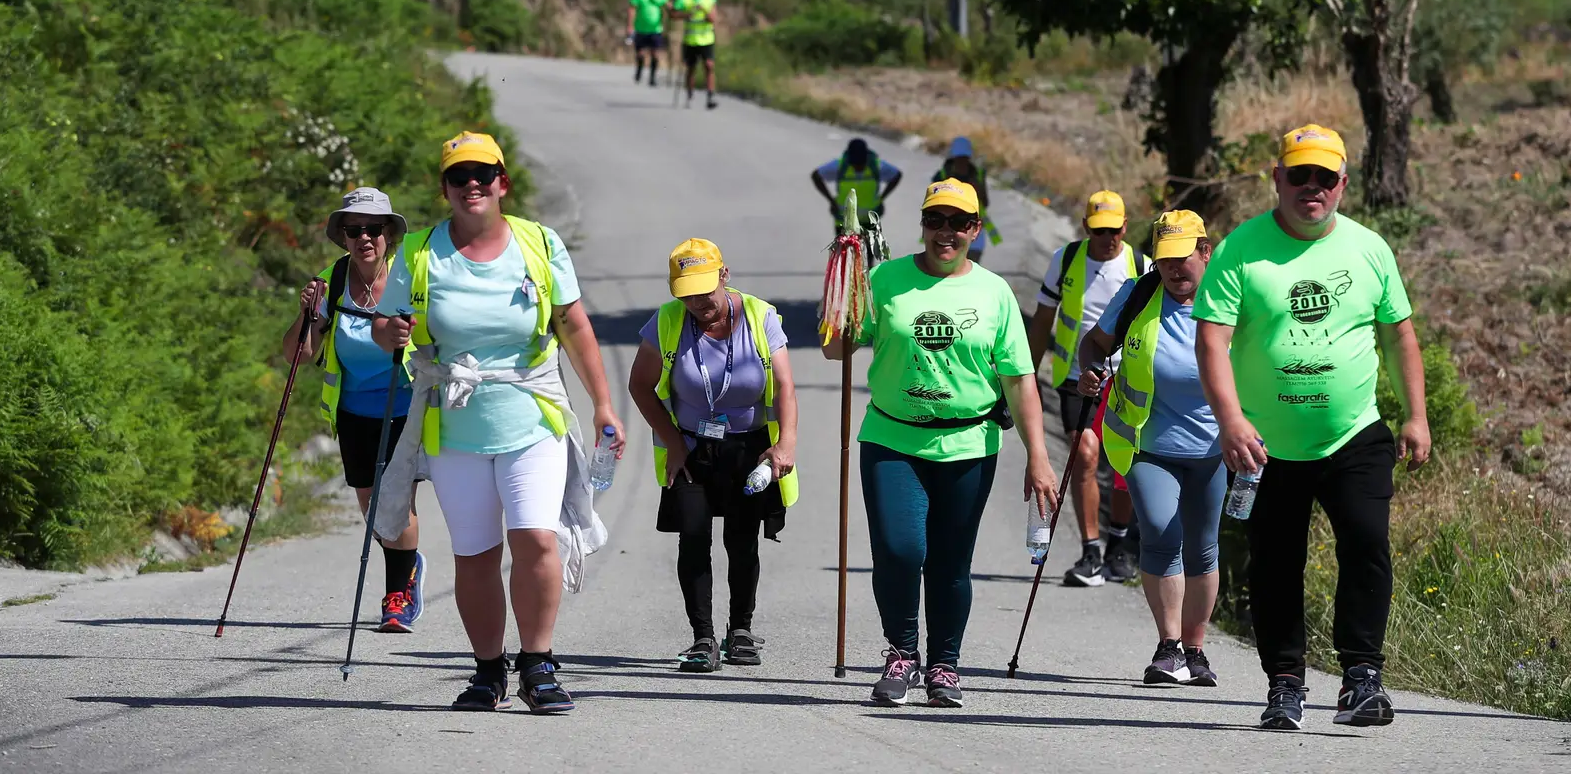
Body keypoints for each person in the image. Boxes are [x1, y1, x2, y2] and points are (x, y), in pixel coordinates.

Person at [372, 131, 626, 716]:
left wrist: (603, 404)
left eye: (483, 174)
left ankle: (538, 664)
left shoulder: (539, 243)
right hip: (455, 425)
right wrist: (393, 332)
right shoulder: (418, 252)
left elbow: (573, 324)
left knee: (536, 537)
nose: (472, 185)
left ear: (502, 183)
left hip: (531, 415)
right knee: (476, 554)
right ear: (445, 189)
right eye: (458, 177)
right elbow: (386, 327)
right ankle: (488, 671)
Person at [1193, 124, 1431, 732]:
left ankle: (1362, 679)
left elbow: (1399, 335)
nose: (1311, 187)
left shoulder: (1370, 249)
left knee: (1367, 546)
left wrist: (1416, 414)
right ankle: (1286, 685)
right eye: (1299, 174)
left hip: (1354, 434)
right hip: (1266, 447)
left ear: (1343, 184)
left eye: (1325, 177)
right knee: (1275, 565)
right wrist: (1231, 420)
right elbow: (1212, 342)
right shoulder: (1240, 250)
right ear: (1277, 178)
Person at [824, 178, 1059, 709]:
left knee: (951, 562)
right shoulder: (885, 279)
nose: (945, 232)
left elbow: (1020, 381)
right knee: (899, 550)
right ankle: (901, 655)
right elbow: (836, 351)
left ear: (976, 229)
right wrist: (842, 288)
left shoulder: (994, 292)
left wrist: (1039, 457)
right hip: (892, 438)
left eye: (959, 223)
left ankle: (944, 665)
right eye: (935, 220)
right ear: (922, 225)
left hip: (968, 444)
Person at [628, 239, 798, 673]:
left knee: (741, 540)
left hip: (747, 447)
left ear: (724, 275)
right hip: (690, 447)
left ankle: (740, 630)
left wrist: (786, 443)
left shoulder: (759, 316)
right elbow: (639, 385)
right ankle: (702, 637)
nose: (698, 302)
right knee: (693, 537)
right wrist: (672, 441)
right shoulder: (667, 321)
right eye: (687, 293)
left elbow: (785, 385)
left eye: (704, 290)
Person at [1081, 210, 1223, 688]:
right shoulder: (1138, 294)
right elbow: (1094, 344)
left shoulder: (1232, 300)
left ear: (1205, 252)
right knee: (1161, 532)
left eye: (1183, 257)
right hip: (1146, 442)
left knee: (1203, 547)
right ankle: (1169, 646)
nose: (1174, 269)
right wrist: (1091, 369)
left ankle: (1195, 650)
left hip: (1214, 447)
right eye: (1165, 260)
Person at [285, 187, 425, 632]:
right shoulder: (332, 282)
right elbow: (298, 354)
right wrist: (308, 314)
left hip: (405, 406)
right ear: (343, 237)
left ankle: (397, 597)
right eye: (354, 230)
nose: (364, 237)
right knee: (372, 512)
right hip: (353, 412)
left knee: (395, 502)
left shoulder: (409, 276)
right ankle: (408, 562)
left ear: (388, 233)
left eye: (373, 229)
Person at [1028, 189, 1139, 587]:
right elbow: (1043, 319)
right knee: (1086, 455)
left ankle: (1119, 546)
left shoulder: (1141, 265)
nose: (1107, 238)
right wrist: (1026, 376)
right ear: (1086, 227)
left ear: (1125, 227)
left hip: (1126, 379)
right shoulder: (1066, 260)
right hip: (1076, 376)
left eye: (1114, 230)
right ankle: (1091, 550)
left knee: (1124, 464)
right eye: (1099, 230)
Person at [932, 137, 1001, 262]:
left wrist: (976, 188)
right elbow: (934, 203)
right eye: (959, 158)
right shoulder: (942, 176)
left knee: (971, 264)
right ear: (953, 158)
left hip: (973, 229)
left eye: (964, 158)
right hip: (949, 229)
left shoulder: (978, 174)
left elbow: (985, 202)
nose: (962, 162)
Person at [810, 137, 902, 230]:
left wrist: (882, 198)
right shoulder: (840, 166)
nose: (858, 167)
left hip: (869, 222)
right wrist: (831, 200)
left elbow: (897, 175)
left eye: (861, 163)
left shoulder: (876, 166)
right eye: (855, 163)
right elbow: (816, 176)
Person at [672, 0, 719, 111]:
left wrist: (703, 9)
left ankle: (710, 96)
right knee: (691, 69)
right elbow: (673, 14)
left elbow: (712, 19)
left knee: (709, 66)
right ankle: (689, 93)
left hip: (706, 39)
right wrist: (687, 14)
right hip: (690, 40)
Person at [627, 0, 672, 88]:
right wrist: (630, 26)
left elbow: (667, 4)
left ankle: (652, 77)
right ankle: (639, 69)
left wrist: (673, 11)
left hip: (655, 29)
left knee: (655, 55)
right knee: (640, 54)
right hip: (640, 28)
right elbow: (632, 8)